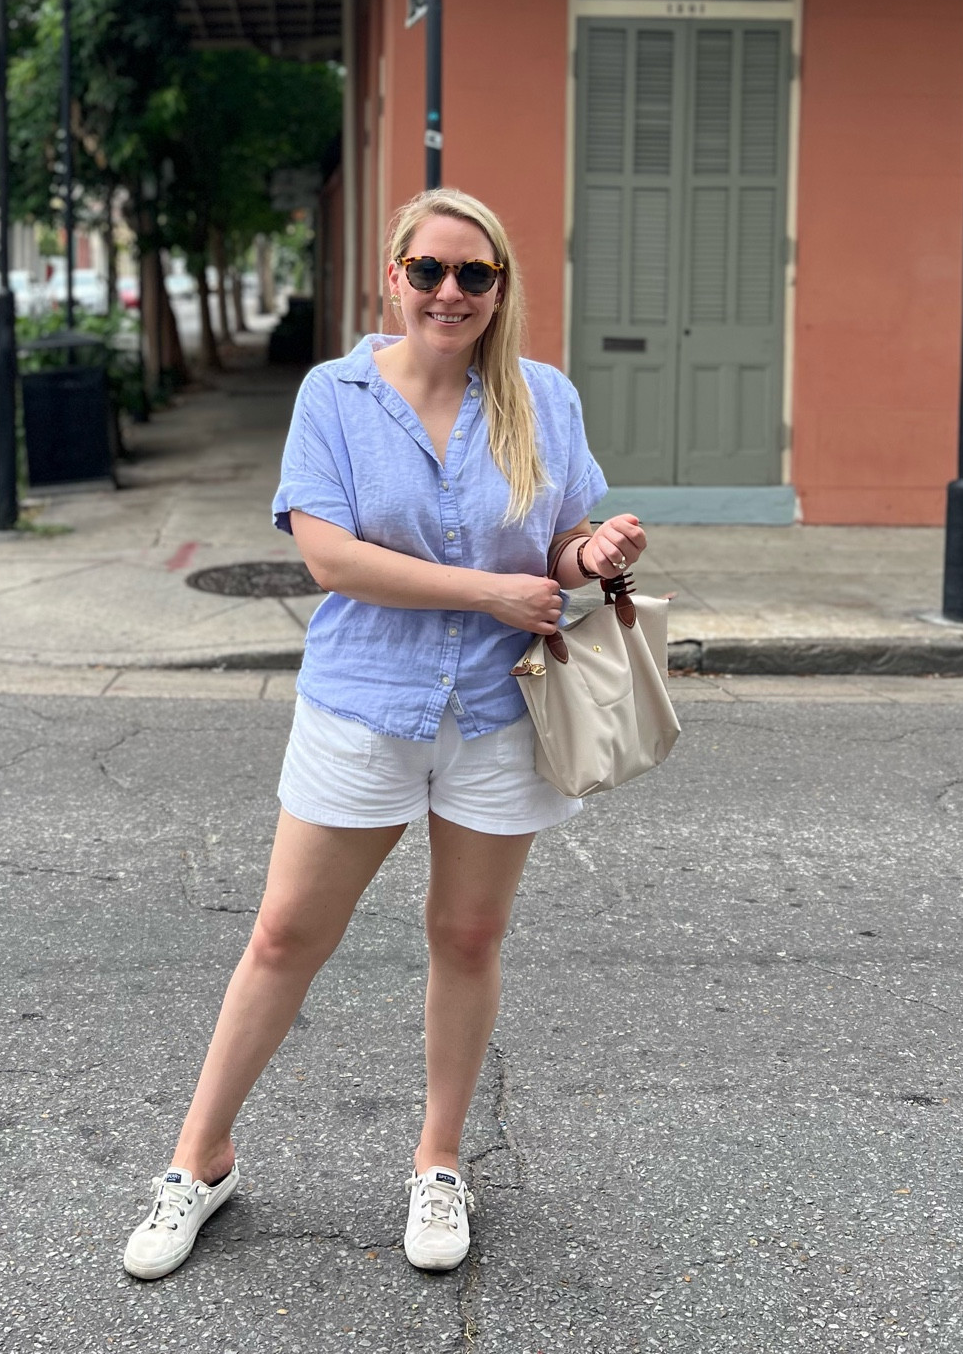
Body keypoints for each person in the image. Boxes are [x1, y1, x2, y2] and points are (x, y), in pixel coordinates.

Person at [123, 187, 648, 1281]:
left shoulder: (543, 397)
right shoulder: (337, 392)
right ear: (394, 276)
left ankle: (440, 1160)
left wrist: (590, 555)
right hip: (365, 701)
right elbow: (331, 558)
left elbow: (557, 546)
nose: (451, 291)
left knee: (468, 936)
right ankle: (199, 1157)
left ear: (500, 288)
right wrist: (492, 591)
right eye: (430, 270)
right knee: (284, 934)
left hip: (502, 709)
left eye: (475, 274)